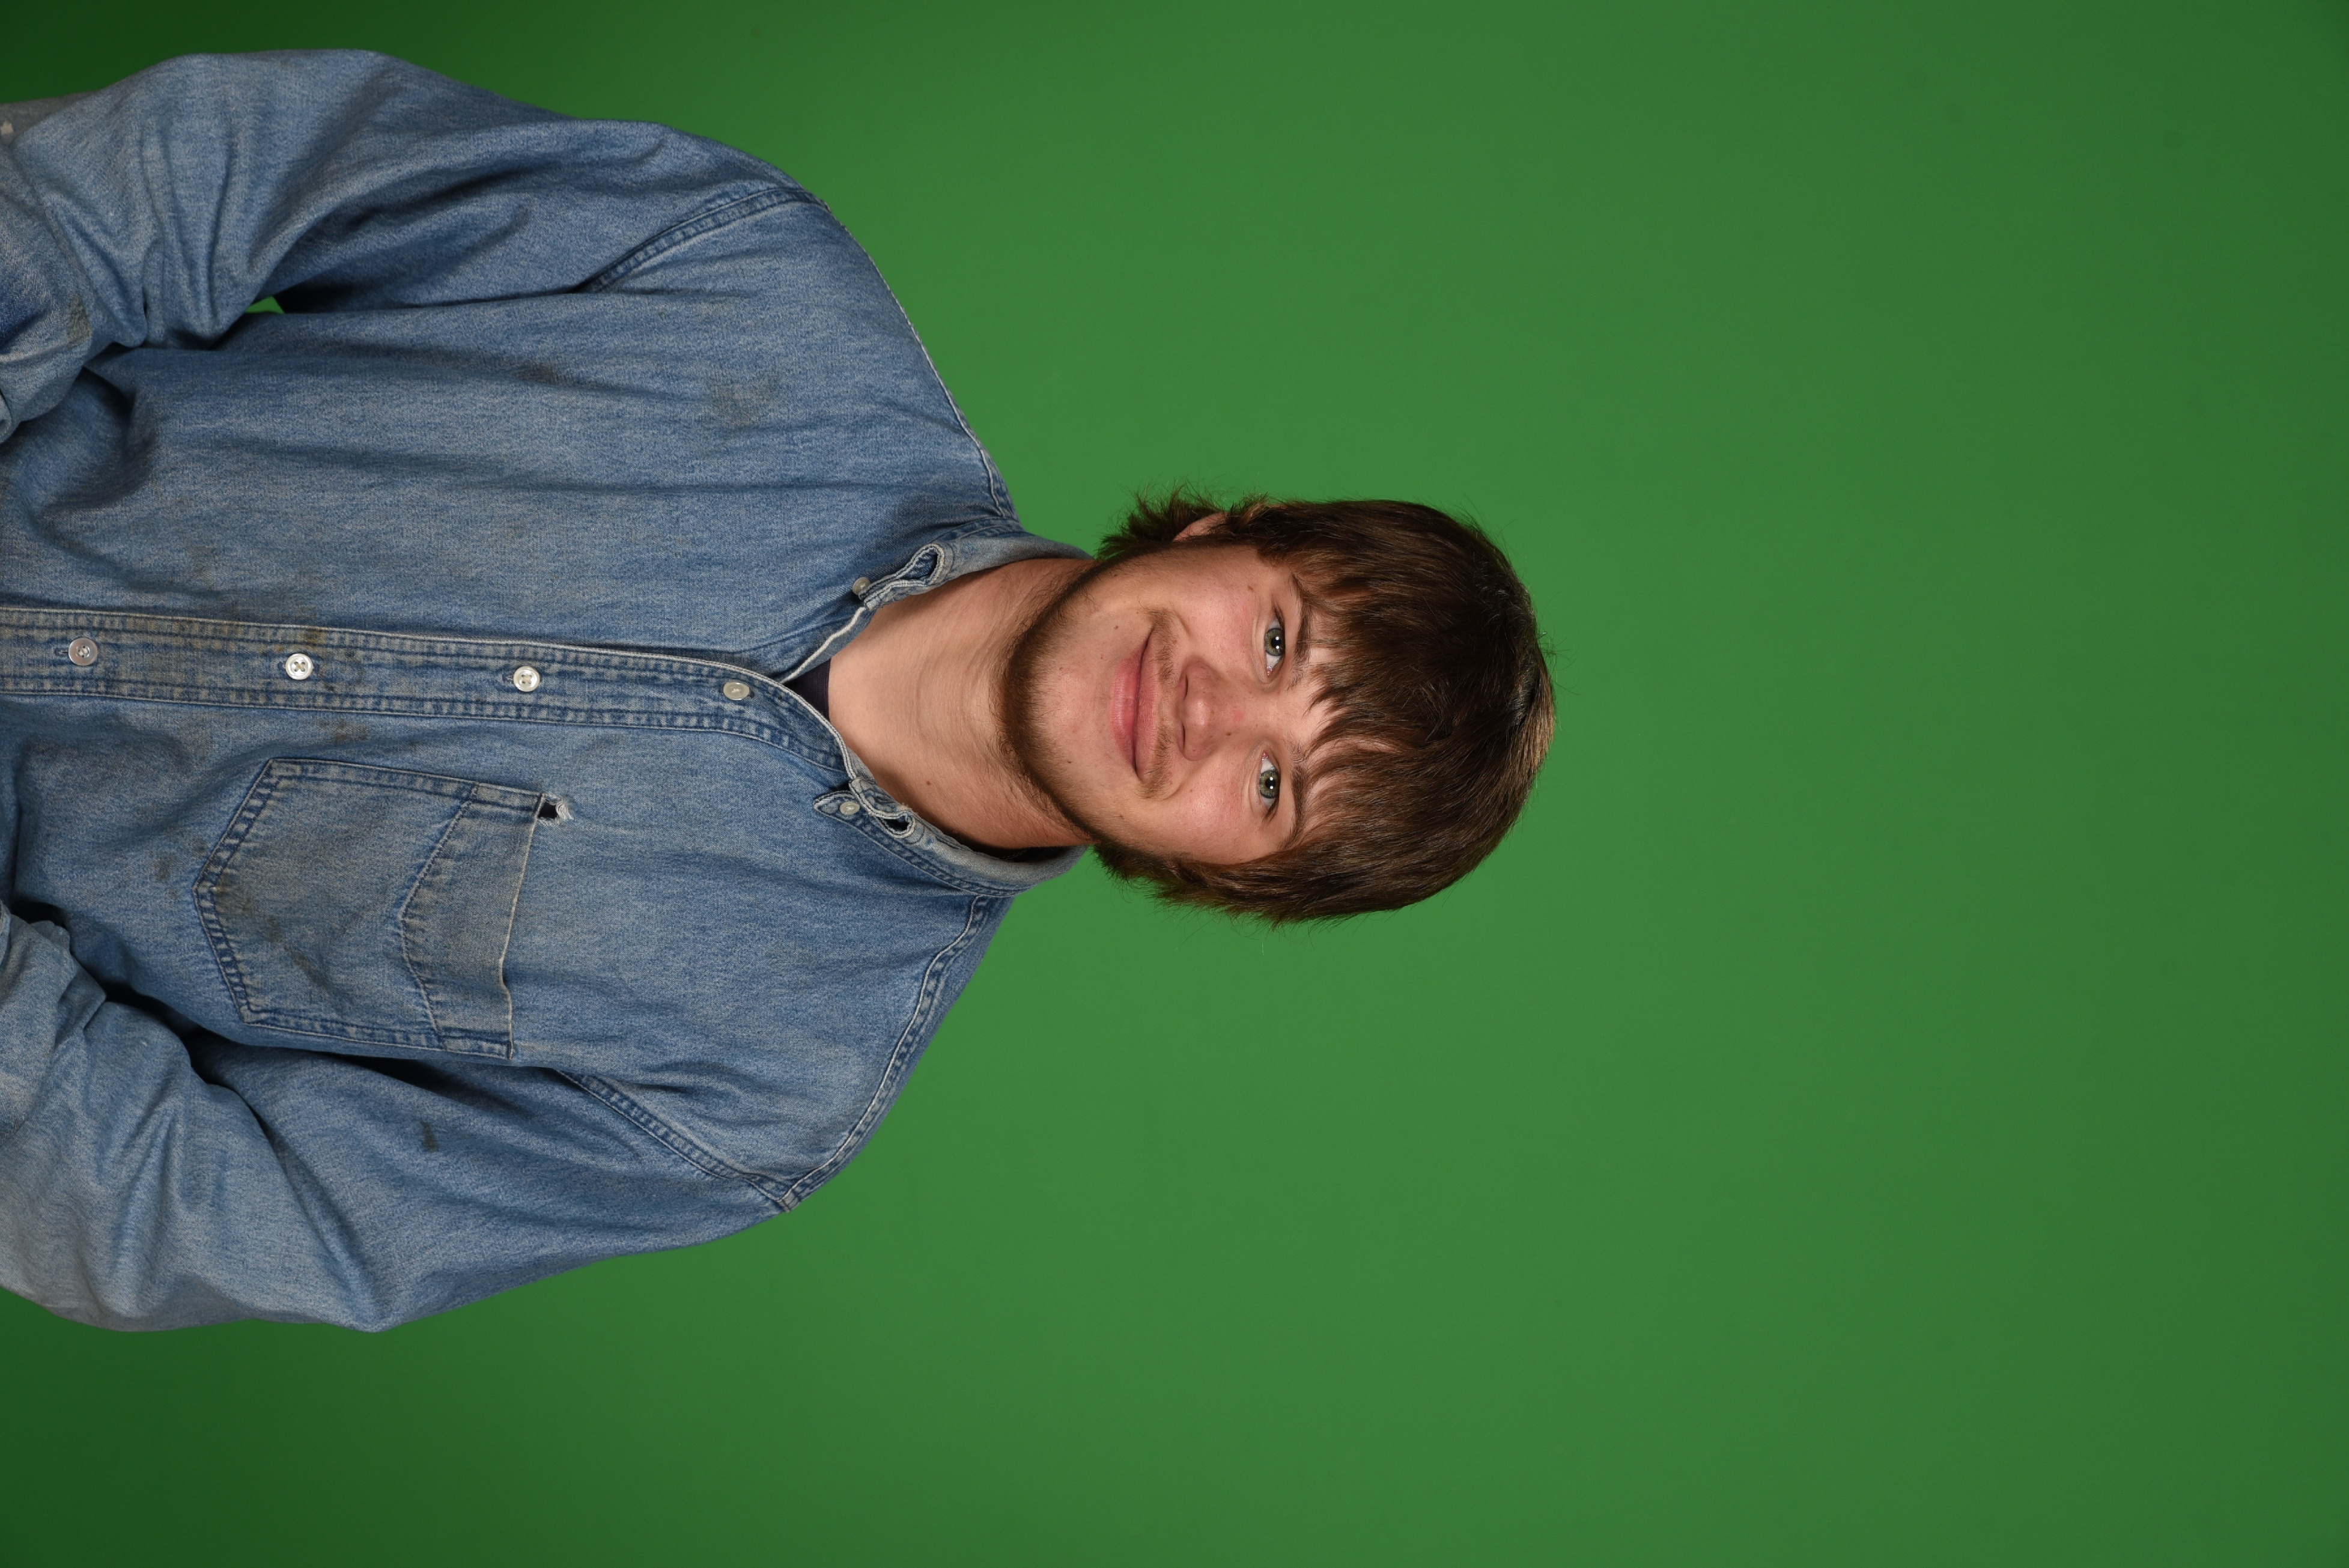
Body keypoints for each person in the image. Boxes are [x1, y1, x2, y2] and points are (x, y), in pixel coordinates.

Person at [0, 50, 1552, 1331]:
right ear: (1230, 531)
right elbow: (212, 180)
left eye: (1271, 786)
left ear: (1228, 878)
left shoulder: (754, 1100)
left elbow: (187, 1210)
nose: (1213, 710)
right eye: (1278, 640)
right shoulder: (746, 280)